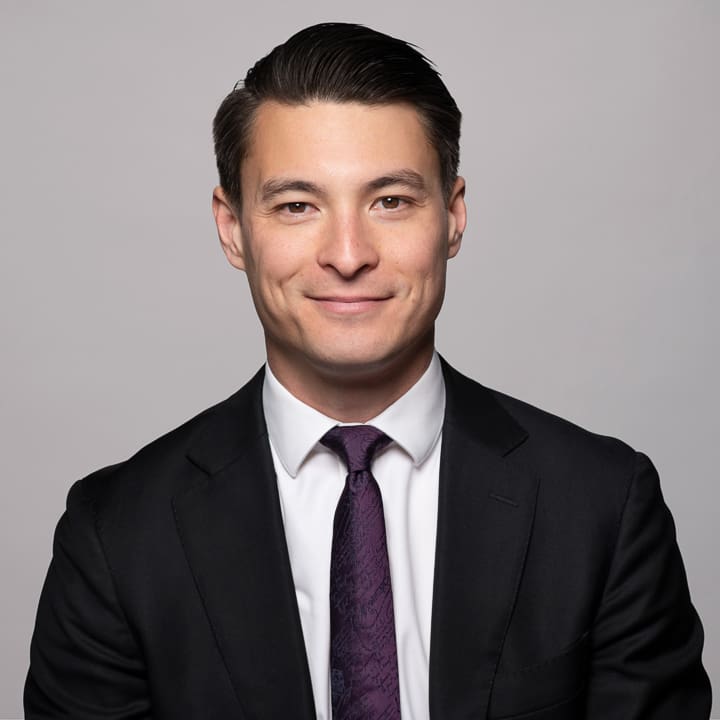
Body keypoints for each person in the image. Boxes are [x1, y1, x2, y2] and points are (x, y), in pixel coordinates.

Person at [25, 22, 711, 720]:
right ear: (233, 228)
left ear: (453, 216)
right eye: (297, 205)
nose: (347, 254)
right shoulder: (117, 537)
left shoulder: (603, 507)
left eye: (391, 201)